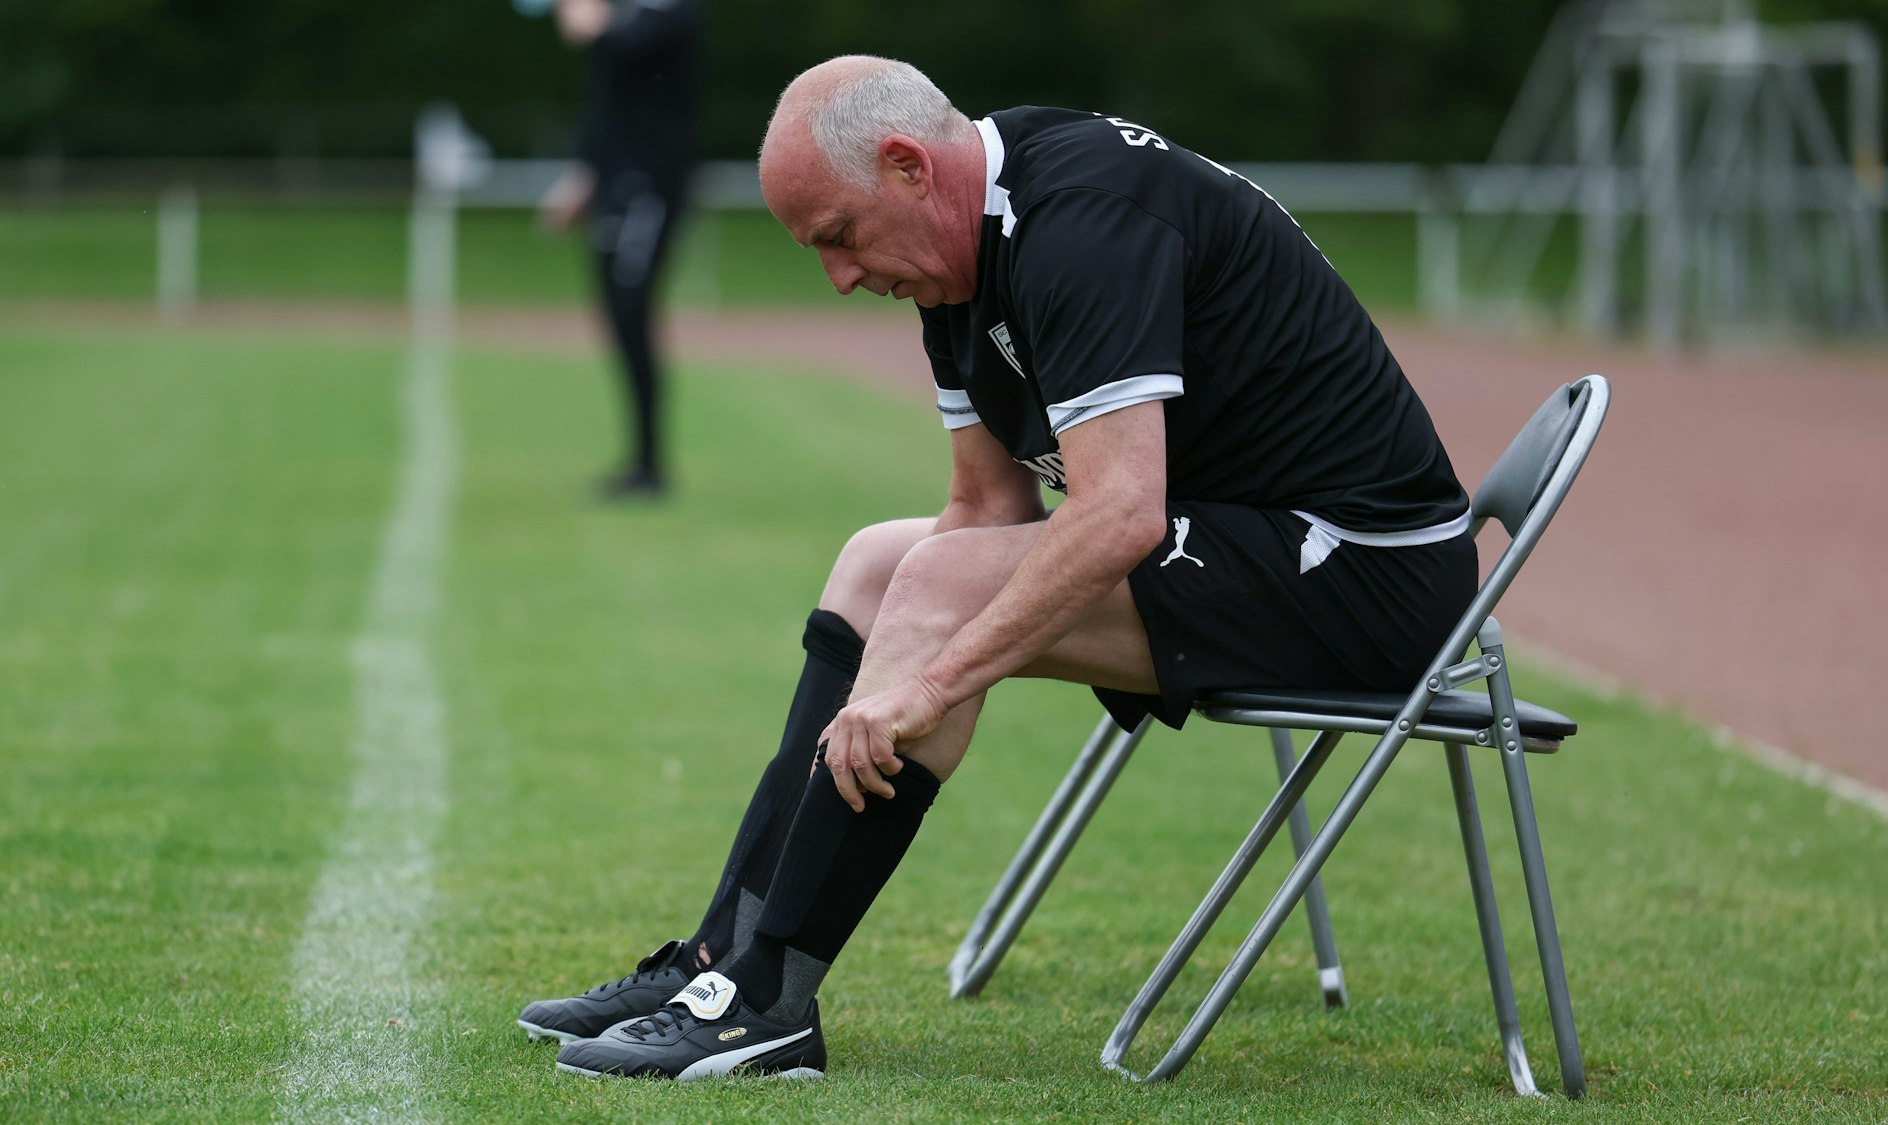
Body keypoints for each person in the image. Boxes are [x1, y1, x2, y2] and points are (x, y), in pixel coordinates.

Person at [518, 55, 1476, 1080]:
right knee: (881, 564)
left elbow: (1118, 513)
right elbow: (984, 507)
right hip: (1253, 544)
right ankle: (719, 962)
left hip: (1368, 575)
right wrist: (906, 645)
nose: (839, 278)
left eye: (838, 238)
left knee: (932, 587)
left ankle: (767, 1001)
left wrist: (925, 682)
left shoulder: (1077, 222)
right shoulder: (959, 250)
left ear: (906, 167)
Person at [539, 0, 702, 499]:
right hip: (616, 186)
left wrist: (587, 20)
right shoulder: (632, 12)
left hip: (649, 188)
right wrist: (585, 175)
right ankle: (643, 462)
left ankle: (649, 466)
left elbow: (617, 46)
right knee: (617, 317)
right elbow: (611, 99)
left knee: (632, 313)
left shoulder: (670, 11)